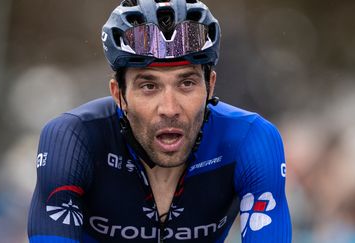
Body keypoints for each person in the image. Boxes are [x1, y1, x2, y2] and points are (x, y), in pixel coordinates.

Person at [27, 0, 292, 242]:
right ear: (119, 94)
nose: (169, 108)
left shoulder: (250, 139)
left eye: (186, 83)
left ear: (210, 86)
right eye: (149, 86)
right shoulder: (73, 139)